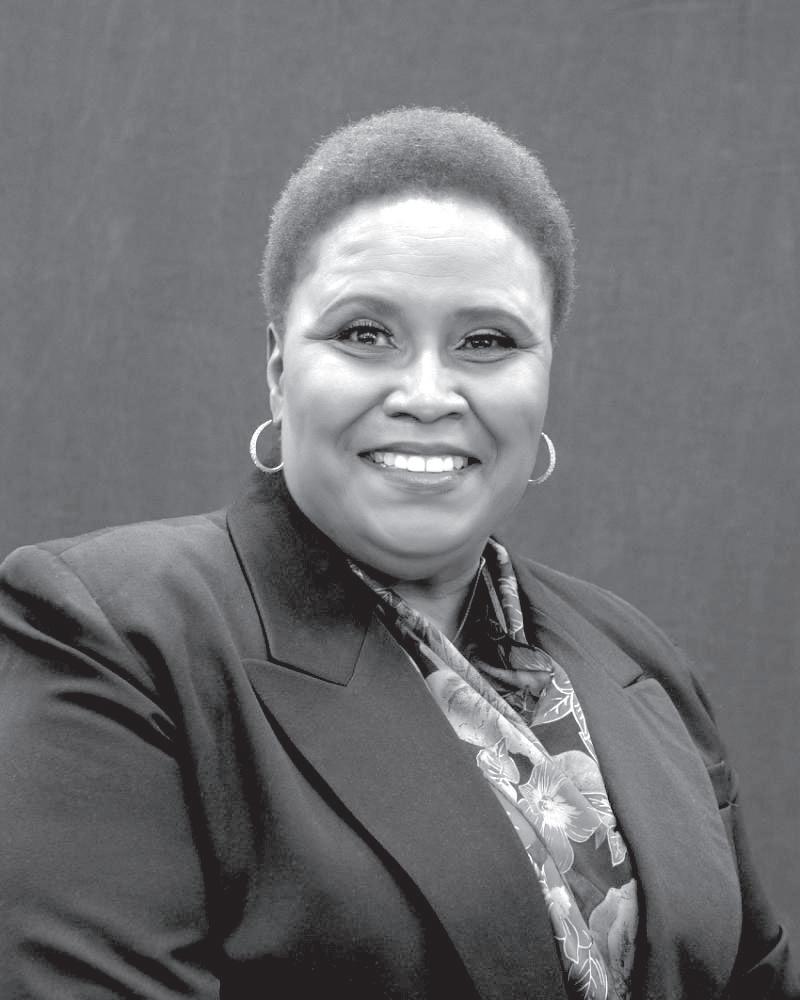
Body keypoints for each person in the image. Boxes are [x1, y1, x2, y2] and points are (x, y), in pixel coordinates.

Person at [0, 107, 795, 1000]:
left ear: (544, 378)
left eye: (486, 342)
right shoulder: (119, 635)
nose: (426, 394)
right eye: (364, 334)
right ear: (279, 372)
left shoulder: (640, 664)